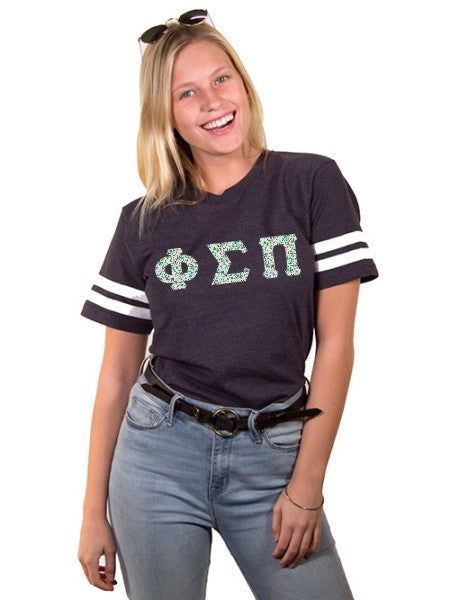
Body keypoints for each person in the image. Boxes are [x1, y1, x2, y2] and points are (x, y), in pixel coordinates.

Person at [77, 9, 379, 600]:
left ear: (243, 81)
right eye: (187, 93)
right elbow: (115, 374)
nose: (212, 102)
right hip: (158, 455)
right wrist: (93, 512)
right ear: (166, 115)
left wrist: (306, 487)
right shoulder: (142, 223)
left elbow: (336, 345)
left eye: (221, 79)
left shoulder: (311, 184)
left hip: (276, 456)